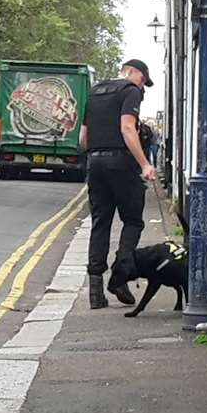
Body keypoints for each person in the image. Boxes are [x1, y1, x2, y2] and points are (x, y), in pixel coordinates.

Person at [79, 59, 158, 309]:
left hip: (94, 162)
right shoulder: (130, 91)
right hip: (121, 163)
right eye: (143, 80)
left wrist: (96, 156)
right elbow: (127, 128)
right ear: (132, 73)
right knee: (133, 220)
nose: (142, 88)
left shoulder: (95, 92)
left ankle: (95, 291)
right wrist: (145, 164)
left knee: (100, 222)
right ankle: (120, 274)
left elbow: (83, 137)